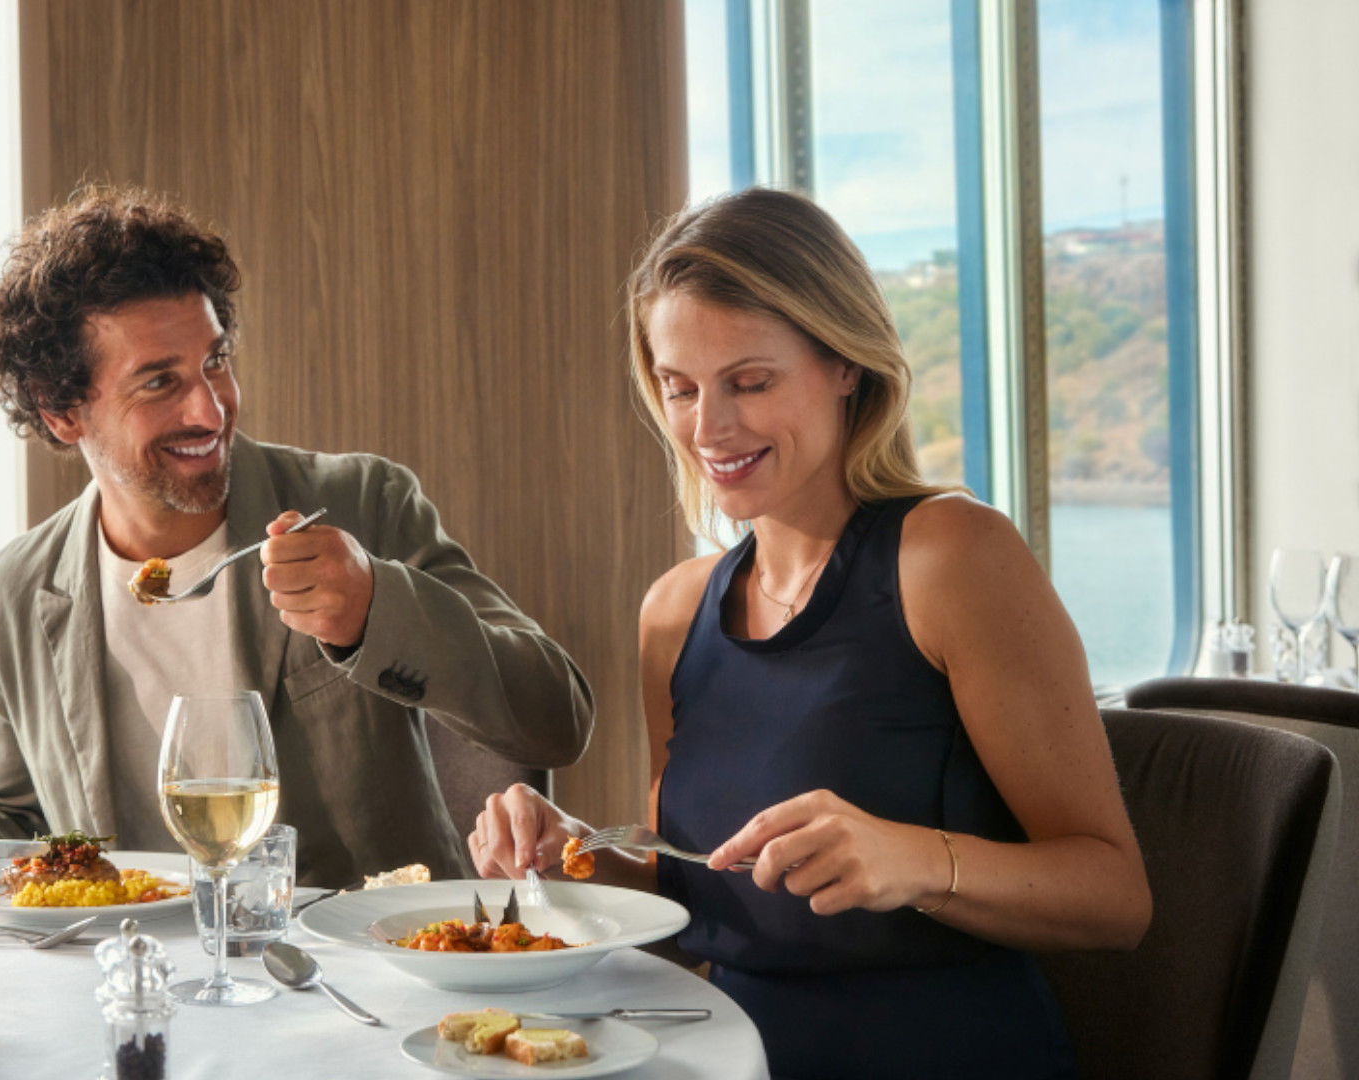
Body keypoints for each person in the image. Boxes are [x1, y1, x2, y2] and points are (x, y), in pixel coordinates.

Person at [467, 188, 1150, 1080]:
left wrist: (914, 860)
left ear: (846, 365)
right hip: (720, 1056)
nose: (708, 429)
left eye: (750, 382)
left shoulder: (951, 557)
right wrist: (576, 857)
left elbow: (1115, 898)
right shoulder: (674, 611)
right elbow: (699, 895)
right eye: (680, 388)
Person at [0, 185, 593, 890]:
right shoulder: (11, 592)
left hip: (354, 951)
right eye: (159, 383)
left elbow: (557, 718)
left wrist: (375, 608)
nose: (211, 408)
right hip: (135, 958)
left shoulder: (362, 501)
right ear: (61, 412)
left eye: (215, 362)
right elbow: (11, 811)